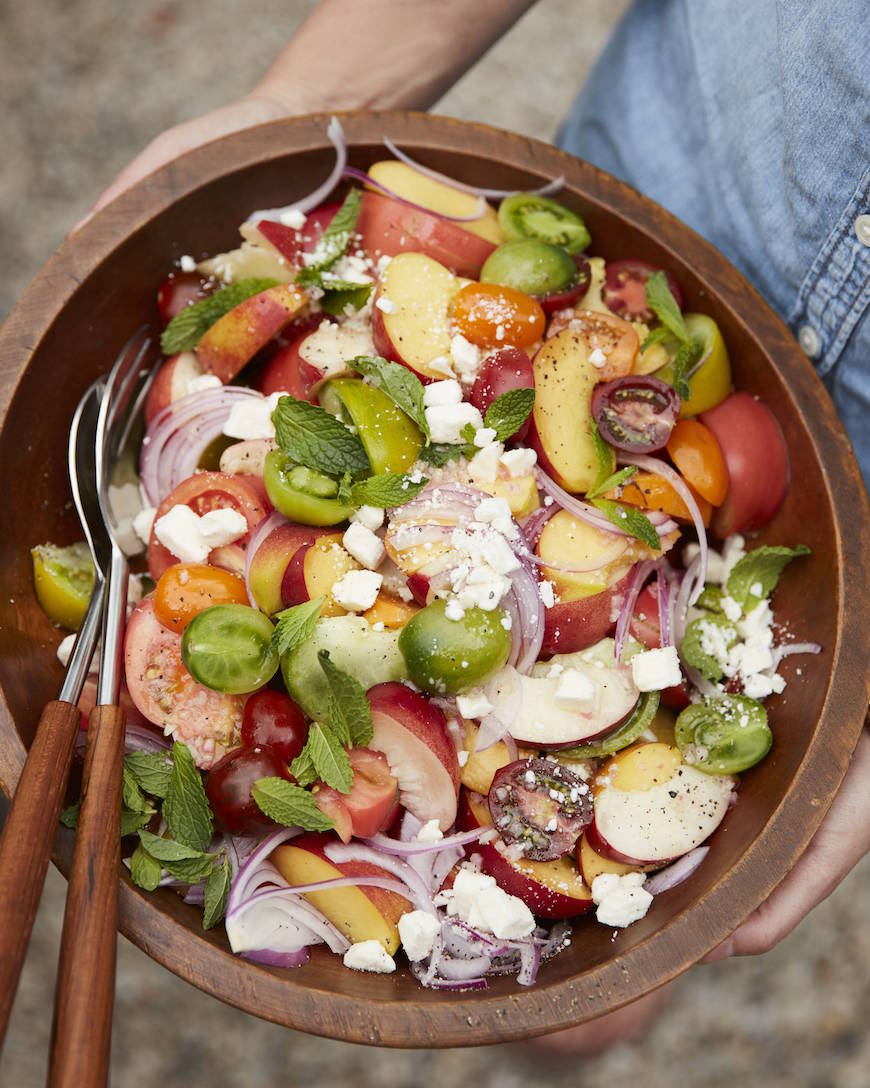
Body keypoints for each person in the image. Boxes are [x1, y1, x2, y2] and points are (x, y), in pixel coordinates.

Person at [78, 0, 870, 1039]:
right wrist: (294, 102)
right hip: (657, 185)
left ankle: (578, 1026)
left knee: (590, 993)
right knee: (571, 1001)